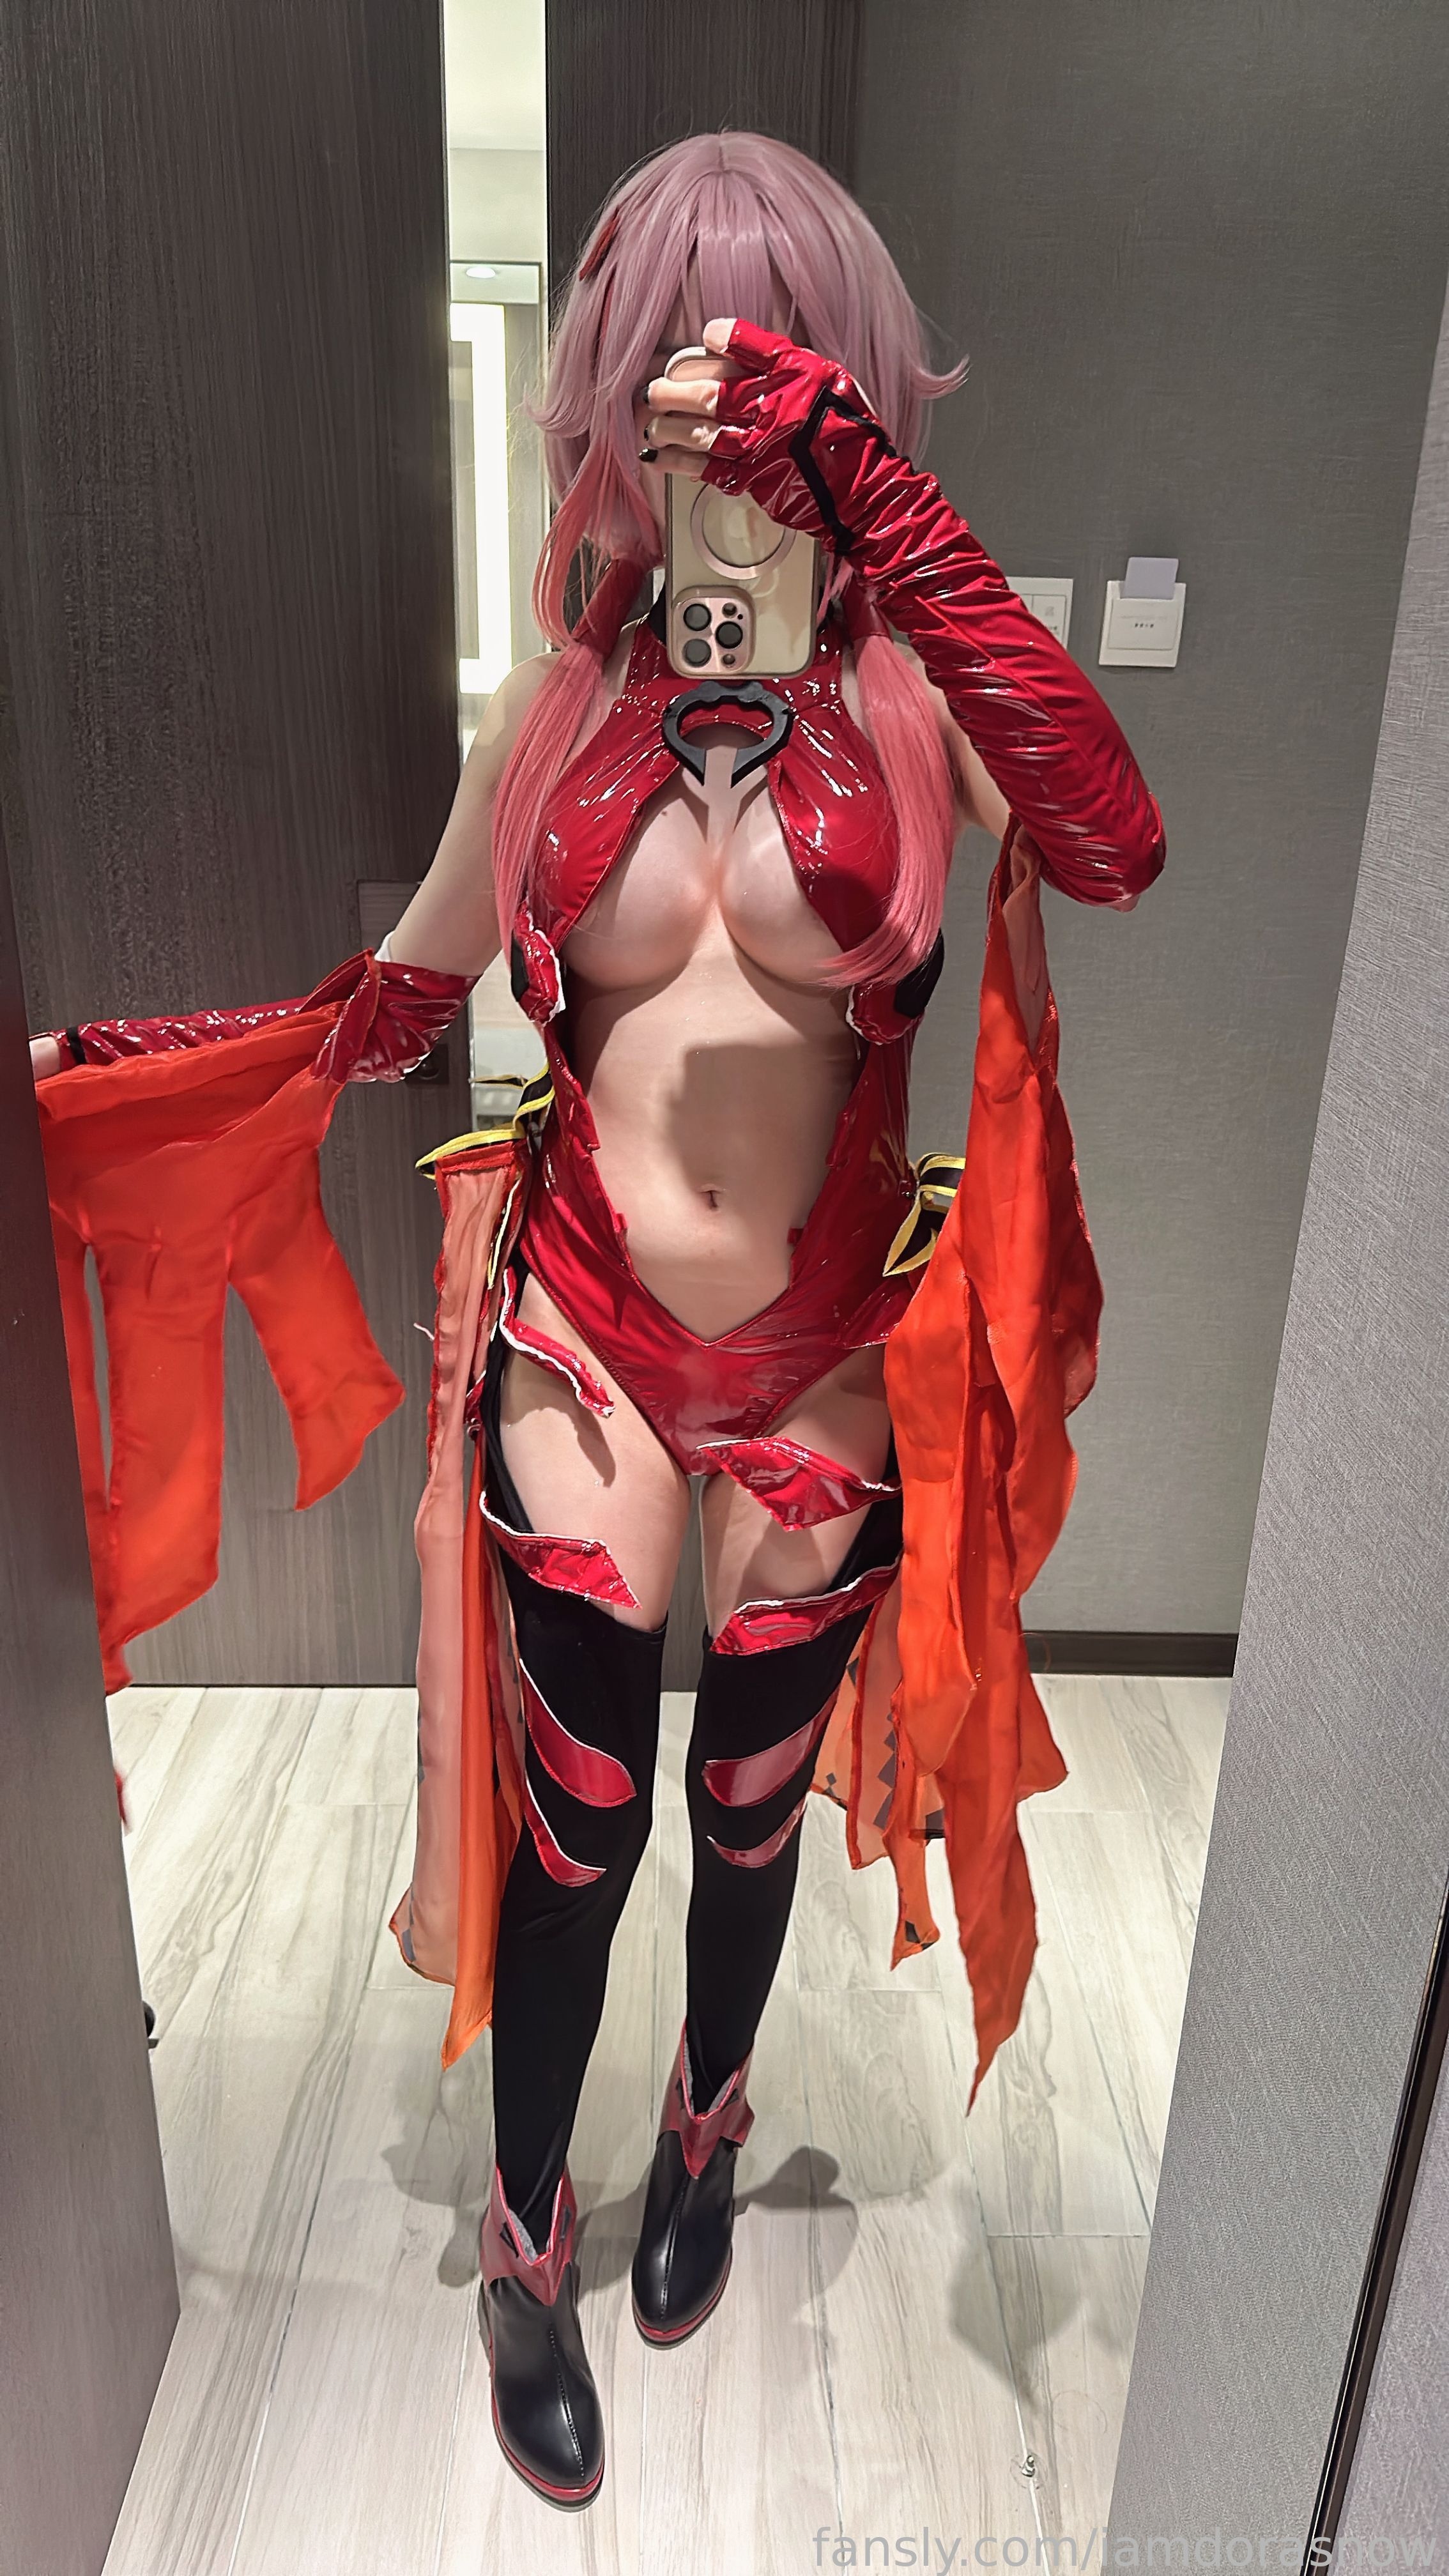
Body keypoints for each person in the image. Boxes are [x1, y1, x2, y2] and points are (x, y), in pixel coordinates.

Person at [31, 132, 1162, 2511]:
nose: (716, 444)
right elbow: (391, 1001)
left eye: (773, 391)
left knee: (746, 1811)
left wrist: (880, 509)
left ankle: (708, 2122)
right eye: (676, 390)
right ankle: (527, 2240)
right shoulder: (556, 710)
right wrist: (125, 1067)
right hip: (588, 1343)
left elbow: (1116, 838)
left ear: (847, 397)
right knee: (583, 1820)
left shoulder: (919, 696)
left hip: (821, 1352)